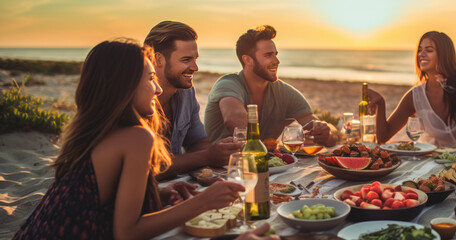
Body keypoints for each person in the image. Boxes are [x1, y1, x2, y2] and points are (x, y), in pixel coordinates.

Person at [13, 39, 278, 240]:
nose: (159, 88)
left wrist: (158, 195)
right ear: (124, 85)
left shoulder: (93, 132)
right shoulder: (137, 137)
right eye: (151, 78)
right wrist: (203, 202)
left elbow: (94, 200)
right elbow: (126, 233)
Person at [204, 25, 338, 146]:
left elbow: (314, 123)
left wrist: (325, 131)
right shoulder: (228, 84)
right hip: (215, 169)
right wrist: (264, 148)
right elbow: (234, 119)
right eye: (268, 55)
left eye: (275, 54)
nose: (276, 61)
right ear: (248, 60)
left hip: (263, 166)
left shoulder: (284, 92)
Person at [144, 21, 242, 177]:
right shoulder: (134, 98)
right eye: (186, 60)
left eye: (195, 59)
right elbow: (147, 165)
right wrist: (206, 156)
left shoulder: (186, 93)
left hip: (176, 187)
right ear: (158, 59)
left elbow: (198, 141)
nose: (195, 67)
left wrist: (219, 152)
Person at [367, 31, 456, 149]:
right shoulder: (415, 96)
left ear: (444, 55)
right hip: (436, 161)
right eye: (420, 50)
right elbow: (383, 138)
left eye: (429, 50)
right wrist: (380, 104)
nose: (421, 54)